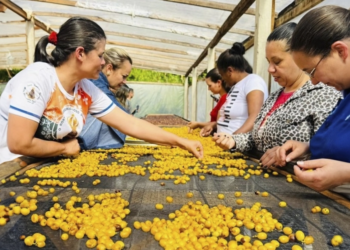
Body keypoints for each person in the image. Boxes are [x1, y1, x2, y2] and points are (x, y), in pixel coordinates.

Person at [0, 17, 203, 166]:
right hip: (10, 169)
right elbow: (19, 143)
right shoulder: (38, 79)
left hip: (42, 165)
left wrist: (181, 142)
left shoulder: (85, 89)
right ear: (80, 53)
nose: (104, 62)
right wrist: (64, 148)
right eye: (100, 55)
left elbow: (131, 124)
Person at [212, 23, 341, 162]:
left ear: (299, 57)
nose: (270, 69)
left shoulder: (323, 95)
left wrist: (292, 155)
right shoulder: (274, 97)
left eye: (277, 62)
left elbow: (330, 151)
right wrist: (233, 141)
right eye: (269, 62)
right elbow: (256, 138)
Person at [261, 5, 350, 192]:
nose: (314, 81)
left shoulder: (329, 93)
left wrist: (346, 173)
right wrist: (307, 146)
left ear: (340, 51)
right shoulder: (345, 94)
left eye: (312, 71)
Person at [200, 42, 269, 137]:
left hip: (237, 147)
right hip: (224, 145)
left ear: (229, 71)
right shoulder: (235, 87)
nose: (223, 79)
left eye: (222, 74)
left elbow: (255, 118)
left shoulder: (253, 81)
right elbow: (231, 119)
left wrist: (232, 139)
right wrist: (214, 125)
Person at [78, 47, 132, 150]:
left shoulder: (101, 85)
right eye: (123, 76)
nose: (125, 82)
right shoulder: (96, 87)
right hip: (79, 145)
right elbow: (125, 120)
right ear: (109, 69)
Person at [187, 68, 230, 133]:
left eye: (210, 85)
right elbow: (214, 122)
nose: (208, 89)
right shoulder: (222, 98)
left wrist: (198, 124)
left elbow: (218, 124)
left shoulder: (225, 99)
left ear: (219, 83)